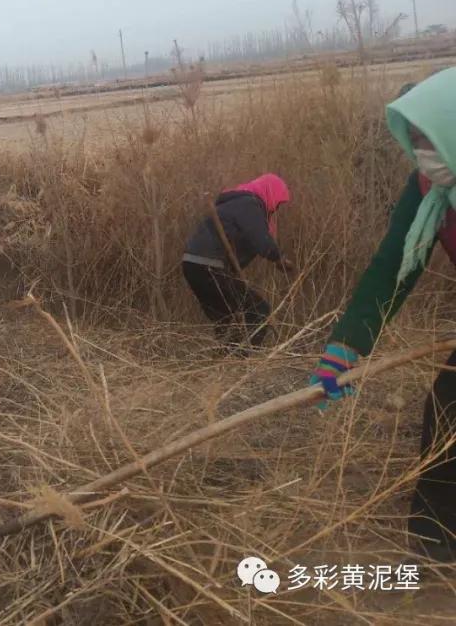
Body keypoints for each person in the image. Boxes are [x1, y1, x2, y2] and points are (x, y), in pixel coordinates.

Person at [309, 67, 456, 561]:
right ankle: (439, 538)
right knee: (447, 408)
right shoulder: (429, 190)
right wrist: (347, 345)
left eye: (430, 140)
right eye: (414, 143)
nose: (423, 156)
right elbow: (392, 267)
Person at [182, 174, 293, 348]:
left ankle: (225, 360)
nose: (276, 209)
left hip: (192, 265)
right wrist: (278, 257)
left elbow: (240, 244)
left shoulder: (235, 204)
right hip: (210, 266)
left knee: (227, 318)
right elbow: (260, 238)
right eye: (278, 203)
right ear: (271, 195)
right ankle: (243, 361)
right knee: (259, 310)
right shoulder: (249, 204)